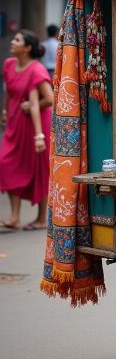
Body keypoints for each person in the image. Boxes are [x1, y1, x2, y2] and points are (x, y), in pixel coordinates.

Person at [0, 30, 53, 230]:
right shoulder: (9, 65)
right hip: (15, 123)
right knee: (7, 163)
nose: (12, 42)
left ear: (27, 48)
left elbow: (50, 99)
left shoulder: (37, 70)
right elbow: (9, 92)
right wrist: (5, 110)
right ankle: (14, 217)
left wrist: (32, 107)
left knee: (38, 168)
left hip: (35, 124)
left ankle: (41, 218)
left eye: (17, 40)